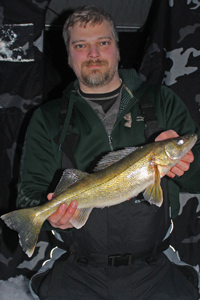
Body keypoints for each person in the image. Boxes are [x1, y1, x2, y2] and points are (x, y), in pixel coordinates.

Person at [16, 5, 200, 300]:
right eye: (81, 45)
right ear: (68, 55)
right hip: (78, 271)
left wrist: (189, 163)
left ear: (117, 48)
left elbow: (198, 174)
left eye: (103, 42)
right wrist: (49, 213)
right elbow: (29, 192)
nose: (93, 54)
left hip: (155, 270)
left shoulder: (162, 100)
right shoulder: (47, 118)